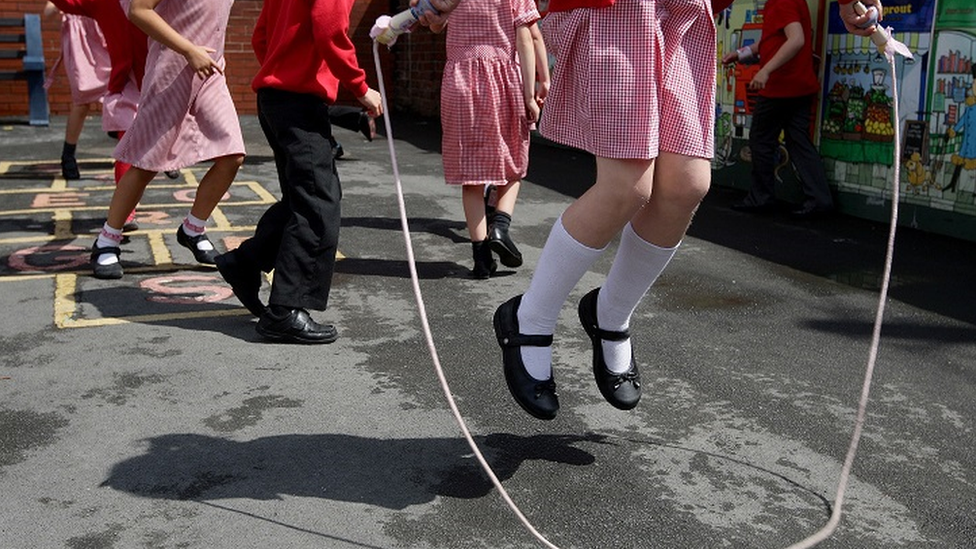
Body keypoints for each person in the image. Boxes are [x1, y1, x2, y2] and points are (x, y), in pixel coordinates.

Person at [411, 0, 882, 420]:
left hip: (681, 14)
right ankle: (529, 318)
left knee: (687, 186)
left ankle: (610, 313)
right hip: (618, 14)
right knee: (627, 187)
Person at [213, 0, 382, 344]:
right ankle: (284, 309)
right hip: (299, 103)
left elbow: (261, 36)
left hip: (276, 99)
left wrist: (283, 68)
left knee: (300, 199)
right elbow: (329, 29)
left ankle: (245, 263)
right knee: (318, 203)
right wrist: (361, 87)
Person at [88, 0, 245, 279]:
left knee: (232, 155)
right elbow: (138, 10)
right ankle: (106, 240)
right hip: (171, 70)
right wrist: (188, 50)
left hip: (211, 71)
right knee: (146, 162)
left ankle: (192, 229)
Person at [430, 0, 546, 279]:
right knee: (513, 164)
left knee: (471, 177)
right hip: (502, 81)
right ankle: (500, 227)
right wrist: (530, 93)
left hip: (460, 82)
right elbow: (526, 38)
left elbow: (435, 25)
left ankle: (481, 258)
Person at [722, 0, 833, 218]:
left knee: (761, 140)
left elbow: (796, 40)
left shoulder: (781, 1)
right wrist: (741, 53)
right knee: (799, 141)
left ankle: (761, 198)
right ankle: (820, 200)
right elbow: (772, 41)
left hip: (780, 86)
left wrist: (766, 71)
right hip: (800, 85)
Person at [47, 0, 147, 230]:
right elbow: (65, 5)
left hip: (162, 75)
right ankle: (125, 213)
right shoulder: (105, 3)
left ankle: (167, 157)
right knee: (127, 143)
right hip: (129, 79)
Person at [43, 2, 110, 181]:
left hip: (103, 37)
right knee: (82, 101)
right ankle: (68, 155)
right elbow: (48, 12)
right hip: (78, 45)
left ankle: (154, 154)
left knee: (123, 90)